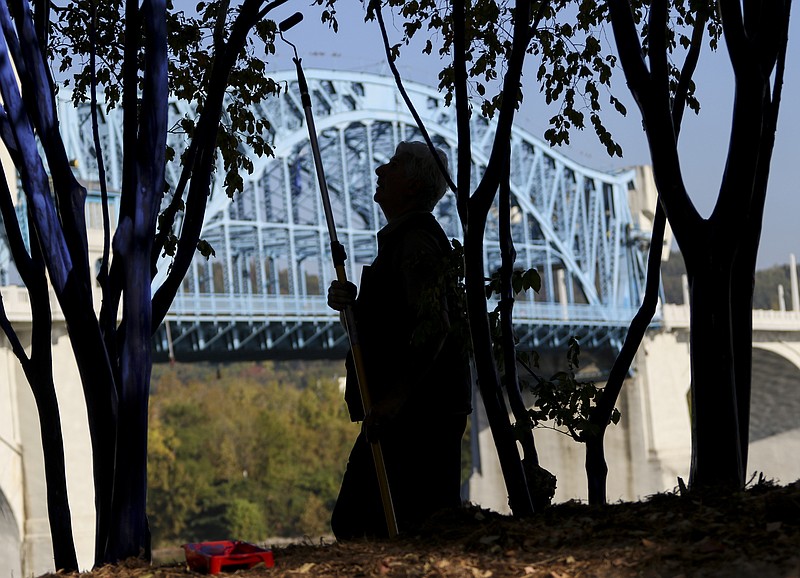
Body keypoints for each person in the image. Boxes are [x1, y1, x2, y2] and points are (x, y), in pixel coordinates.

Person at [327, 141, 471, 540]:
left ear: (411, 184)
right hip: (416, 409)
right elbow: (394, 327)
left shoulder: (415, 242)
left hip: (416, 413)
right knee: (410, 522)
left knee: (364, 521)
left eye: (391, 165)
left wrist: (392, 402)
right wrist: (351, 308)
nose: (379, 170)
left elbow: (435, 327)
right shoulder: (406, 240)